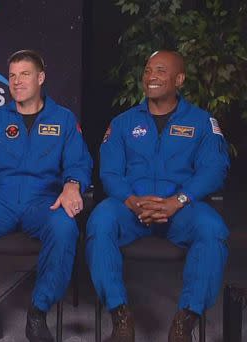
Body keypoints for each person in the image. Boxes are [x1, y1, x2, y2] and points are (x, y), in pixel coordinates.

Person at [0, 49, 93, 342]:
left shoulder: (62, 119)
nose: (17, 81)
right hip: (1, 201)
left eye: (25, 74)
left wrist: (72, 184)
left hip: (43, 201)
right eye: (12, 75)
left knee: (64, 226)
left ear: (41, 78)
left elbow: (79, 162)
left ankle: (37, 313)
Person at [86, 50, 230, 342]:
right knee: (99, 222)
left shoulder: (202, 122)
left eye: (161, 71)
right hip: (132, 209)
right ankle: (120, 316)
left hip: (181, 209)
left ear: (179, 79)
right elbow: (110, 172)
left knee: (213, 229)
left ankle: (185, 320)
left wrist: (177, 201)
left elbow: (215, 169)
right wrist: (130, 200)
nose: (151, 77)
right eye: (148, 71)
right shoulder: (123, 122)